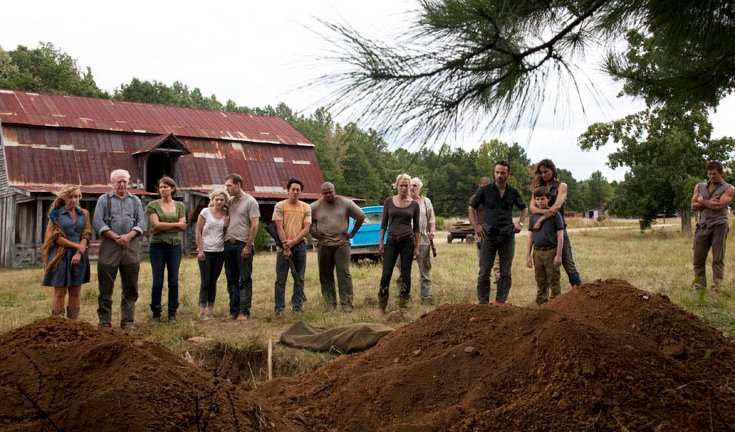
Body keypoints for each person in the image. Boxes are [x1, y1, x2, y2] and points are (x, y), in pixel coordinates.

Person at [93, 169, 146, 329]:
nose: (122, 184)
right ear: (112, 183)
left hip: (131, 247)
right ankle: (104, 322)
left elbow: (142, 223)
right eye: (119, 181)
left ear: (128, 183)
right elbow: (98, 222)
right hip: (110, 247)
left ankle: (128, 321)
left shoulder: (135, 201)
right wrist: (116, 237)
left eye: (124, 181)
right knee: (105, 286)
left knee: (131, 287)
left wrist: (129, 236)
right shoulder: (104, 200)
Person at [469, 161, 527, 304]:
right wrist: (476, 226)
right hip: (488, 234)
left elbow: (524, 208)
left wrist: (520, 223)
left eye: (502, 173)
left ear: (508, 174)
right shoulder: (484, 190)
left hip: (507, 235)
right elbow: (472, 206)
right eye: (497, 172)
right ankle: (483, 303)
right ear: (494, 173)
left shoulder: (513, 192)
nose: (499, 175)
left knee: (505, 271)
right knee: (484, 271)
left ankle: (500, 302)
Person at [310, 182, 365, 312]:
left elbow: (361, 216)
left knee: (344, 274)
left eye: (330, 192)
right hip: (324, 244)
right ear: (322, 194)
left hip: (342, 244)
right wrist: (314, 233)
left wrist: (352, 233)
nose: (328, 195)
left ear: (334, 191)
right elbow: (305, 220)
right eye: (325, 193)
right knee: (325, 275)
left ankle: (347, 304)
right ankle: (330, 305)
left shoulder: (346, 203)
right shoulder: (315, 206)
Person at [41, 184, 92, 320]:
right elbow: (55, 237)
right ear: (64, 198)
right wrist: (77, 246)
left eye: (77, 196)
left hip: (79, 257)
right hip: (60, 256)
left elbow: (86, 233)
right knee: (60, 291)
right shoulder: (55, 214)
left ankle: (72, 323)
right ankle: (58, 324)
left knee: (76, 290)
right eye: (71, 197)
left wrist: (79, 252)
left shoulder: (84, 213)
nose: (74, 200)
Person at [530, 159, 582, 287]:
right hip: (542, 231)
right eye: (541, 172)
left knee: (568, 262)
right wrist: (545, 212)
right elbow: (532, 207)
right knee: (544, 267)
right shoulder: (538, 188)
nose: (544, 174)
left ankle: (580, 289)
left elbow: (557, 205)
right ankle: (546, 296)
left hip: (558, 228)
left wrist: (541, 218)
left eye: (546, 171)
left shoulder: (561, 186)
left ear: (552, 170)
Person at [145, 176, 187, 325]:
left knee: (173, 281)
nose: (162, 189)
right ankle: (156, 313)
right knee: (157, 280)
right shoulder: (153, 205)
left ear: (172, 189)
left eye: (165, 187)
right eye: (160, 187)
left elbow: (183, 227)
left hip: (175, 246)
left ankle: (172, 313)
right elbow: (155, 226)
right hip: (158, 246)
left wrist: (163, 226)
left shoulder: (180, 205)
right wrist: (175, 225)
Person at [378, 173, 420, 312]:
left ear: (410, 187)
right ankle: (382, 303)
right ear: (396, 186)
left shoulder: (414, 205)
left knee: (406, 274)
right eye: (401, 185)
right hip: (391, 240)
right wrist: (381, 243)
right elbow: (383, 224)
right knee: (386, 273)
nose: (403, 188)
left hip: (407, 241)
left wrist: (417, 247)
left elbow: (417, 228)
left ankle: (403, 304)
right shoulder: (389, 202)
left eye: (406, 186)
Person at [691, 161, 735, 291]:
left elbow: (719, 206)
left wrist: (702, 201)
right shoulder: (699, 186)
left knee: (717, 258)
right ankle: (699, 287)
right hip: (703, 225)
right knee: (698, 259)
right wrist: (709, 203)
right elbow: (693, 206)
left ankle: (717, 287)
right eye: (709, 174)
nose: (711, 176)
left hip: (719, 225)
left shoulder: (729, 188)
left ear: (721, 173)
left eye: (714, 174)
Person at [223, 174, 260, 321]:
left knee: (244, 279)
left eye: (229, 186)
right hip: (229, 244)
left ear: (238, 185)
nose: (227, 189)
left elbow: (255, 225)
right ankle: (233, 311)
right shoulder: (230, 202)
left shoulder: (251, 202)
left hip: (242, 244)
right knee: (231, 279)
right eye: (226, 186)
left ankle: (244, 312)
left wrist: (248, 245)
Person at [273, 178, 312, 315]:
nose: (295, 192)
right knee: (281, 279)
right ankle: (279, 309)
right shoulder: (280, 206)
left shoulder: (306, 207)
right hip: (283, 246)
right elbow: (279, 227)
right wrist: (286, 246)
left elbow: (306, 228)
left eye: (298, 190)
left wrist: (293, 242)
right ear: (288, 190)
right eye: (293, 189)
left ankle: (297, 307)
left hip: (300, 246)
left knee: (299, 277)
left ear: (301, 192)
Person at [396, 177, 436, 304]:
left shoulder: (426, 202)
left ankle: (426, 297)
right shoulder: (402, 201)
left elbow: (431, 220)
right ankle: (402, 297)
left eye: (415, 186)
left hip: (423, 240)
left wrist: (432, 232)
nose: (412, 188)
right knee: (402, 270)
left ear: (420, 188)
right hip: (404, 240)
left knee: (425, 270)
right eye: (411, 185)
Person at [525, 187, 564, 305]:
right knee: (540, 279)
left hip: (551, 251)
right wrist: (528, 255)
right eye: (537, 199)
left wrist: (558, 255)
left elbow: (560, 236)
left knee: (553, 278)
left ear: (549, 198)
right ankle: (541, 303)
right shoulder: (533, 217)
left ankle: (555, 303)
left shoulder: (555, 215)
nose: (540, 202)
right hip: (537, 252)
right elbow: (530, 237)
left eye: (542, 199)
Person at [195, 190, 229, 320]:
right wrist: (200, 250)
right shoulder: (205, 212)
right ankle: (202, 310)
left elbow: (225, 232)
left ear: (225, 201)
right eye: (217, 199)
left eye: (221, 200)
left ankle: (210, 310)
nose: (219, 202)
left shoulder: (226, 214)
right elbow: (198, 231)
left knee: (213, 281)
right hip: (206, 251)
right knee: (205, 281)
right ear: (212, 200)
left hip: (219, 251)